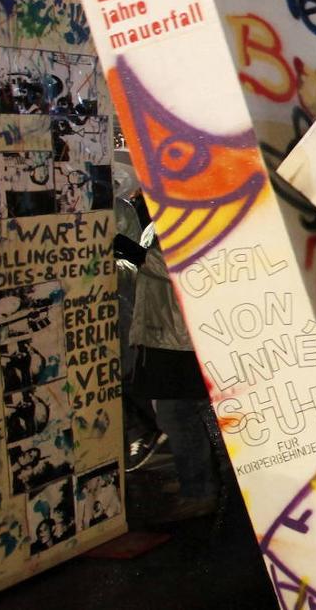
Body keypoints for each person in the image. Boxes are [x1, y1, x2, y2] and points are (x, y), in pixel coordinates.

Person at [125, 222, 221, 522]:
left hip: (180, 337)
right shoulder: (158, 221)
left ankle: (200, 489)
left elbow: (192, 271)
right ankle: (195, 479)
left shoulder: (187, 215)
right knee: (175, 414)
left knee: (178, 415)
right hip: (164, 333)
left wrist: (141, 257)